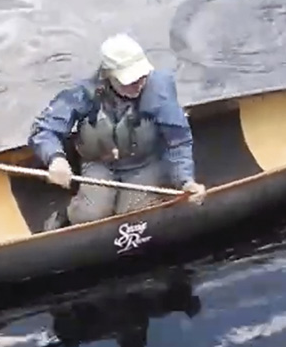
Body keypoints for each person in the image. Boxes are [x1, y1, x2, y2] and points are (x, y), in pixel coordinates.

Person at [27, 33, 207, 228]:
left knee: (132, 216)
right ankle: (67, 213)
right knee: (90, 215)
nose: (138, 84)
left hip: (144, 163)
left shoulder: (159, 91)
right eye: (129, 80)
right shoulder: (83, 94)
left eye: (142, 77)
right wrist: (56, 159)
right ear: (108, 75)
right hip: (100, 164)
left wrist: (185, 180)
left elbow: (178, 141)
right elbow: (43, 129)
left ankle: (159, 196)